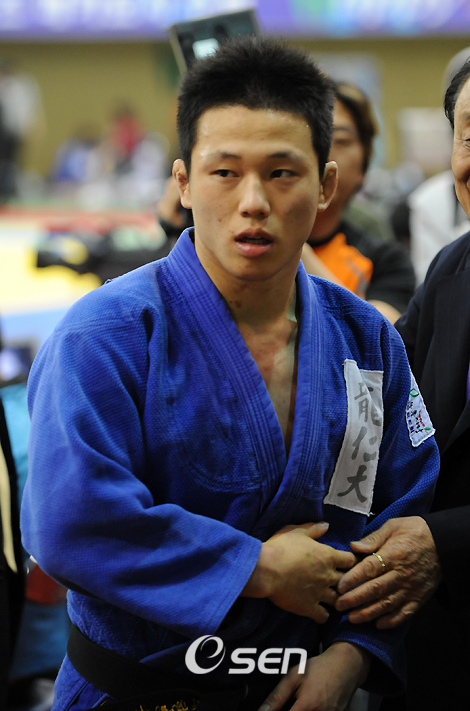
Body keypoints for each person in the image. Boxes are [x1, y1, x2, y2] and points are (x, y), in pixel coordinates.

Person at [21, 37, 439, 711]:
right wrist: (255, 568)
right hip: (132, 693)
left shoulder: (367, 343)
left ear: (326, 184)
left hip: (309, 690)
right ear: (183, 182)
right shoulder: (104, 336)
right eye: (224, 172)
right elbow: (73, 520)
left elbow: (401, 508)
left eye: (281, 172)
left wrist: (352, 656)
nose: (253, 201)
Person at [335, 58, 470, 711]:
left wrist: (447, 543)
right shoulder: (452, 269)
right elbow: (376, 404)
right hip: (432, 648)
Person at [301, 82, 415, 323]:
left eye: (340, 140)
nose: (323, 150)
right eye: (311, 135)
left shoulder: (387, 261)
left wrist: (292, 248)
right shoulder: (243, 242)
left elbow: (378, 335)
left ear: (363, 167)